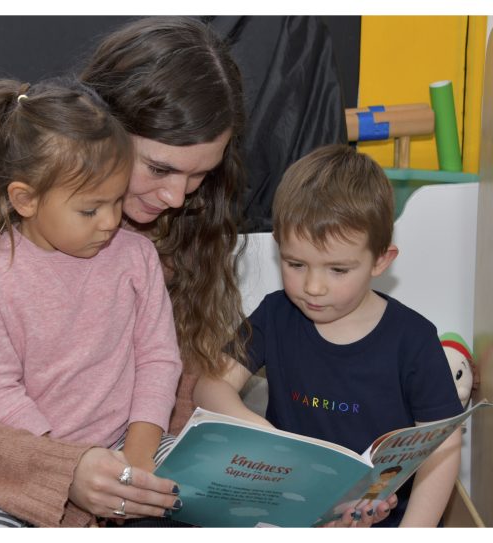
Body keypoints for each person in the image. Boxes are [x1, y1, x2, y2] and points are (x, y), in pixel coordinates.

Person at [0, 17, 387, 528]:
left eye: (200, 175)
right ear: (100, 128)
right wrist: (63, 466)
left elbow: (180, 392)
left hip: (133, 471)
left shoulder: (170, 237)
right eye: (160, 169)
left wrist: (291, 501)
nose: (176, 197)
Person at [0, 77, 182, 527]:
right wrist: (64, 466)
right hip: (29, 456)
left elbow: (159, 360)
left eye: (116, 200)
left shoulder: (137, 255)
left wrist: (137, 460)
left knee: (206, 500)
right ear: (25, 199)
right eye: (90, 209)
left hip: (131, 438)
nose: (110, 222)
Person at [194, 143, 464, 527]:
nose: (313, 287)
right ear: (278, 247)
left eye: (338, 270)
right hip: (287, 514)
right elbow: (209, 387)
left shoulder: (414, 340)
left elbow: (444, 446)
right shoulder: (277, 313)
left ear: (381, 261)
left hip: (380, 520)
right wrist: (264, 434)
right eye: (296, 264)